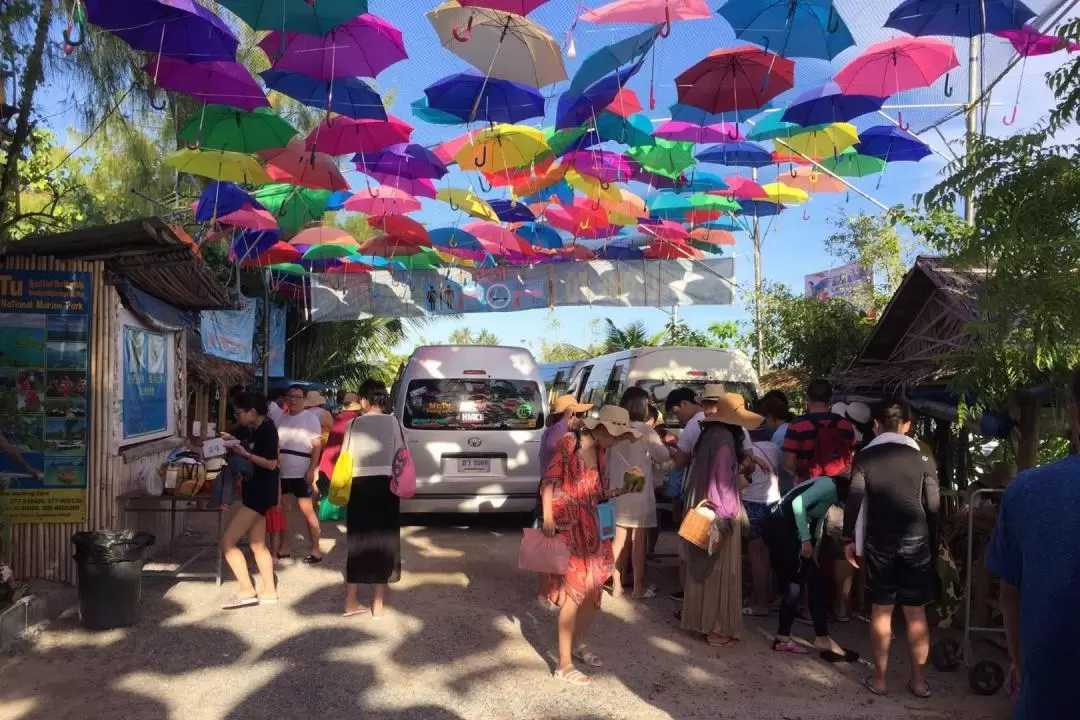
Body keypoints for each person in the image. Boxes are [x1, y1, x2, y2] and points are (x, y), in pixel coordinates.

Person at [985, 370, 1080, 718]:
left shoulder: (1028, 490)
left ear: (1074, 411)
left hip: (1046, 699)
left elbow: (1010, 597)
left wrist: (1022, 668)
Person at [842, 400, 940, 698]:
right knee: (916, 614)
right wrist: (934, 547)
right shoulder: (923, 459)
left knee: (881, 611)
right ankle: (920, 683)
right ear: (909, 425)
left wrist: (849, 540)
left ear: (875, 424)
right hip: (917, 541)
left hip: (879, 542)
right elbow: (933, 507)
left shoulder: (865, 458)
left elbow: (854, 500)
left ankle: (880, 680)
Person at [540, 405, 637, 685]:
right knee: (573, 593)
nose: (617, 441)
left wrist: (620, 491)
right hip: (570, 526)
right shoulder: (570, 443)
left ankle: (580, 642)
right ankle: (564, 663)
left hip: (594, 525)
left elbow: (597, 492)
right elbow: (548, 482)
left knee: (595, 591)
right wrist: (548, 517)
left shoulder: (603, 452)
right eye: (616, 435)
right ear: (602, 429)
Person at [679, 392, 760, 648]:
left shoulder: (710, 435)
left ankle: (703, 622)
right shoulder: (725, 440)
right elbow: (720, 487)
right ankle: (718, 628)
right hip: (720, 514)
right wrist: (730, 515)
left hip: (703, 510)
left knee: (702, 569)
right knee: (721, 572)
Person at [763, 475, 852, 657]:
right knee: (798, 584)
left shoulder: (832, 495)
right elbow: (798, 503)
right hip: (782, 530)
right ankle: (794, 638)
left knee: (808, 582)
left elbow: (817, 520)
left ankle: (799, 637)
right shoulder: (829, 486)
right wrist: (805, 539)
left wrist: (813, 548)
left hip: (788, 531)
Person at [341, 380, 404, 619]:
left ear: (366, 400)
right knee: (385, 543)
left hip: (358, 486)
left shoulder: (354, 423)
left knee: (357, 542)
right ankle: (377, 606)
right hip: (386, 487)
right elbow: (401, 453)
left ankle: (350, 602)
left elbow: (345, 456)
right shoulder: (393, 422)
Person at [609, 387, 673, 599]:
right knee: (638, 542)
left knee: (618, 541)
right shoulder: (646, 430)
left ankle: (616, 584)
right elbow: (663, 456)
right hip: (640, 491)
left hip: (618, 490)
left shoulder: (614, 428)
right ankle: (638, 587)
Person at [219, 392, 279, 609]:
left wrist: (245, 454)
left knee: (228, 541)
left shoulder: (268, 431)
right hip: (258, 492)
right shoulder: (258, 429)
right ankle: (270, 590)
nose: (237, 417)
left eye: (239, 413)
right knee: (258, 544)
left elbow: (272, 463)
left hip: (259, 494)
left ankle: (246, 590)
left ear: (253, 412)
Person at [536, 395, 592, 609]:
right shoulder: (561, 433)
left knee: (551, 545)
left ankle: (551, 590)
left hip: (552, 490)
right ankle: (547, 591)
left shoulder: (552, 430)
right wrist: (568, 422)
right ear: (569, 411)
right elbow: (556, 449)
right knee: (550, 543)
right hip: (552, 492)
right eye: (576, 411)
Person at [276, 384, 324, 563]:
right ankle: (285, 546)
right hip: (283, 472)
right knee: (284, 510)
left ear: (304, 399)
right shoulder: (281, 418)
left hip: (302, 471)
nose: (293, 399)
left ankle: (316, 549)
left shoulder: (310, 419)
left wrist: (312, 469)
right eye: (290, 396)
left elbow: (317, 446)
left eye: (297, 396)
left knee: (307, 511)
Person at [742, 438, 781, 616]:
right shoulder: (774, 448)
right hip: (773, 502)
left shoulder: (746, 451)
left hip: (752, 502)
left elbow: (744, 473)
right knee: (767, 554)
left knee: (756, 556)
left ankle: (761, 602)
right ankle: (762, 595)